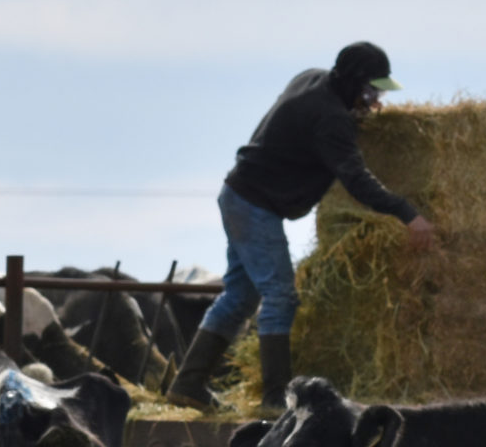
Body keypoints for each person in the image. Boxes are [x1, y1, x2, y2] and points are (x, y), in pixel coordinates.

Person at [167, 41, 436, 411]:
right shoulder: (331, 119)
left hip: (240, 192)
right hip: (254, 204)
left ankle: (188, 384)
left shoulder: (313, 79)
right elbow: (356, 180)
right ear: (354, 82)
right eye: (370, 89)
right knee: (280, 295)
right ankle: (276, 398)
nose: (374, 99)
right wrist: (408, 213)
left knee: (241, 296)